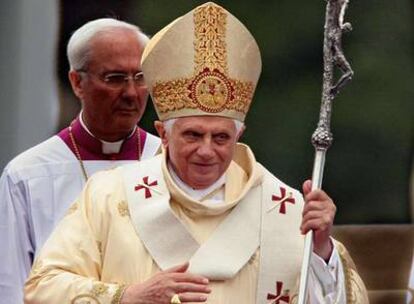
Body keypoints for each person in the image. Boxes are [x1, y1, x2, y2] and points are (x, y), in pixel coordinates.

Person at [24, 3, 368, 303]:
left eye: (220, 137)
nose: (207, 151)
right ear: (163, 134)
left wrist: (321, 251)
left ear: (240, 135)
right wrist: (128, 296)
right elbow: (43, 287)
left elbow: (340, 296)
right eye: (192, 135)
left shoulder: (286, 210)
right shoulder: (107, 196)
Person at [0, 18, 161, 303]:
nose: (131, 93)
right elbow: (10, 284)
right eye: (115, 78)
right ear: (77, 82)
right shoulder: (28, 174)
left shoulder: (170, 163)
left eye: (140, 77)